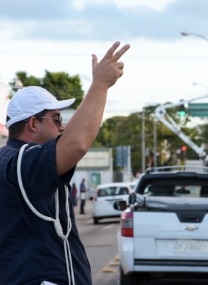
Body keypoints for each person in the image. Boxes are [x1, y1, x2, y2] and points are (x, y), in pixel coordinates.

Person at [0, 41, 130, 284]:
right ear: (33, 123)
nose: (62, 126)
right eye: (57, 118)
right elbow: (77, 143)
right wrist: (100, 84)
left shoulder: (9, 160)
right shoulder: (22, 161)